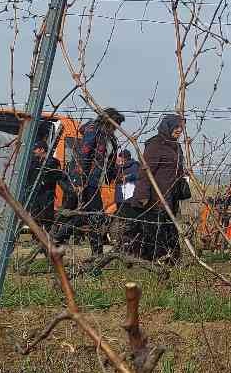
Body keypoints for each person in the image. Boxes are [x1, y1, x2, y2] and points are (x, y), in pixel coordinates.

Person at [56, 108, 124, 255]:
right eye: (115, 124)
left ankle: (56, 239)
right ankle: (96, 254)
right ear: (108, 121)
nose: (117, 128)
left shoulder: (110, 138)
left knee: (87, 216)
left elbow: (109, 160)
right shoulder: (93, 131)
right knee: (95, 216)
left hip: (96, 181)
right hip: (86, 181)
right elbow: (84, 156)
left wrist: (115, 176)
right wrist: (80, 181)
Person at [136, 115, 186, 262]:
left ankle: (170, 260)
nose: (179, 130)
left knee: (169, 229)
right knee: (157, 231)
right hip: (156, 197)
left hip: (171, 196)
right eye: (176, 127)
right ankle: (155, 261)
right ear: (167, 126)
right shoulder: (156, 145)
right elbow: (145, 171)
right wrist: (142, 195)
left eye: (181, 127)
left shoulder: (176, 146)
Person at [21, 144, 65, 231]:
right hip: (35, 193)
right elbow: (29, 175)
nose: (34, 151)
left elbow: (57, 175)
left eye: (36, 149)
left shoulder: (53, 162)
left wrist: (44, 180)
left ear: (42, 150)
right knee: (35, 214)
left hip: (47, 192)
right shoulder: (34, 162)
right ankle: (36, 235)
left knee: (47, 215)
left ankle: (48, 235)